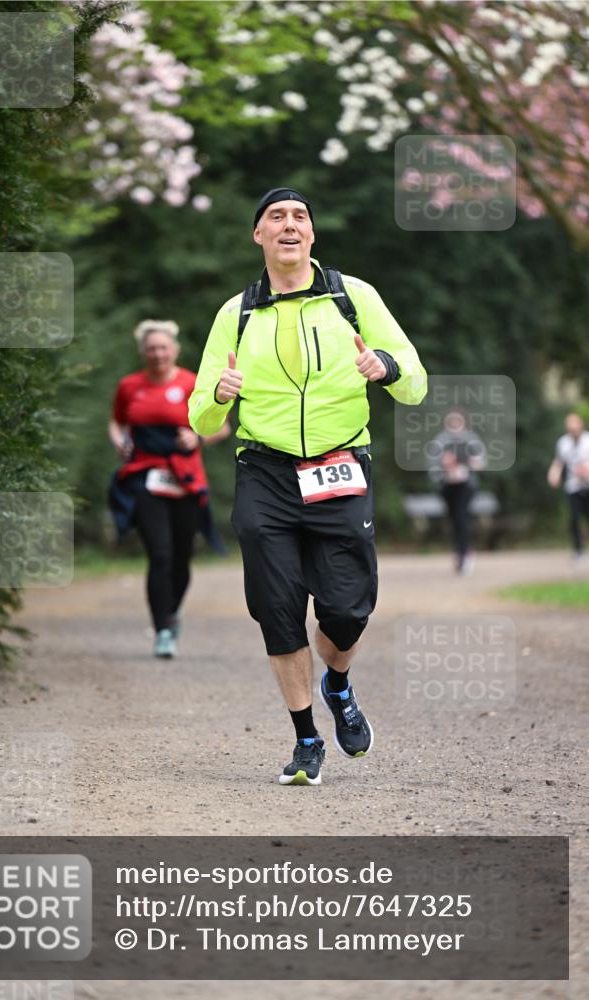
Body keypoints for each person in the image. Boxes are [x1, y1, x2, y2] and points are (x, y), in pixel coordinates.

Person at [189, 187, 427, 786]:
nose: (289, 225)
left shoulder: (353, 298)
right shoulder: (236, 313)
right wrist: (217, 394)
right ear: (259, 235)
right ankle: (306, 739)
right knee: (277, 609)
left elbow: (415, 383)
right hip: (264, 471)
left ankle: (338, 685)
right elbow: (199, 417)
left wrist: (385, 367)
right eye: (276, 217)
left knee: (347, 611)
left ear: (312, 235)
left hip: (339, 465)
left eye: (299, 217)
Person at [108, 319, 229, 658]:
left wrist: (197, 437)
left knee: (181, 557)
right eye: (151, 348)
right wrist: (119, 441)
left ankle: (172, 611)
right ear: (143, 352)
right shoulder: (129, 386)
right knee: (159, 554)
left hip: (185, 478)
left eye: (163, 347)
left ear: (174, 350)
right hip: (145, 476)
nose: (158, 354)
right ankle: (162, 628)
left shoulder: (192, 383)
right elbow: (117, 421)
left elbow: (221, 426)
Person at [428, 409, 486, 574]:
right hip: (447, 486)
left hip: (465, 486)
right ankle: (460, 551)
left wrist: (468, 467)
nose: (454, 424)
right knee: (454, 520)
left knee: (462, 518)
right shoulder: (440, 441)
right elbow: (432, 466)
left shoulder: (471, 440)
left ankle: (464, 553)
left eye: (457, 420)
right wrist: (444, 472)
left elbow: (481, 461)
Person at [547, 412, 589, 560]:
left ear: (581, 425)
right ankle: (578, 550)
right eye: (569, 426)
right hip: (573, 486)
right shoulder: (563, 442)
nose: (572, 428)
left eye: (574, 425)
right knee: (574, 518)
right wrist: (554, 474)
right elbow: (559, 462)